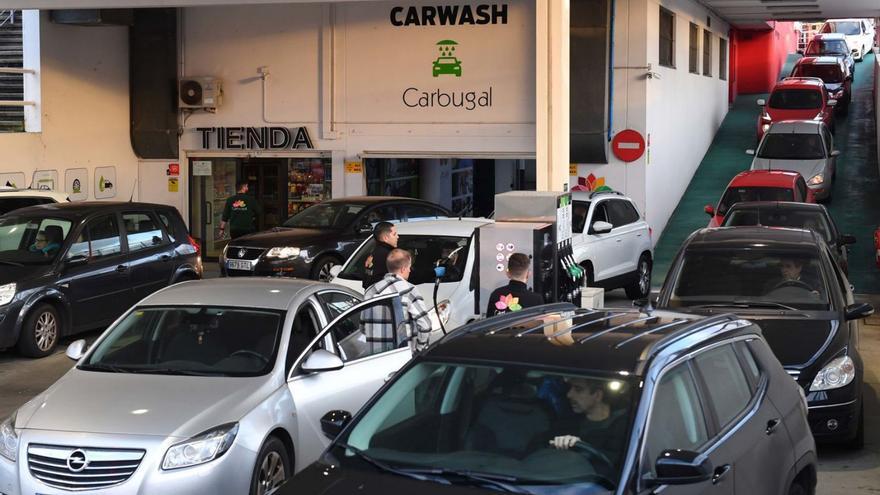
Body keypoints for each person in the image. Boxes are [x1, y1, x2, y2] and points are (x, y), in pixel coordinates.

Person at [363, 249, 433, 353]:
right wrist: (420, 350)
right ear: (403, 269)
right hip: (402, 355)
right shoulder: (409, 290)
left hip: (376, 357)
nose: (410, 270)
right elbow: (425, 325)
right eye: (409, 267)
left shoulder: (371, 290)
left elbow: (363, 328)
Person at [547, 377, 627, 463]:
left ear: (597, 395)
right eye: (570, 388)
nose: (569, 394)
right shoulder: (566, 424)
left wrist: (581, 447)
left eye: (578, 389)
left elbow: (618, 462)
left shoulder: (625, 427)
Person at [486, 253, 544, 317]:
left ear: (507, 273)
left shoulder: (496, 294)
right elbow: (539, 325)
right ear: (529, 273)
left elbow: (489, 324)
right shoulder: (536, 299)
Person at [362, 222, 398, 289]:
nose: (397, 237)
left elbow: (366, 281)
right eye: (394, 234)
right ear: (385, 238)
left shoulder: (372, 254)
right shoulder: (390, 256)